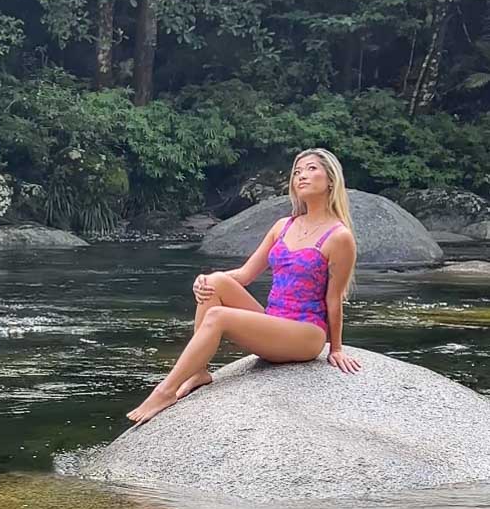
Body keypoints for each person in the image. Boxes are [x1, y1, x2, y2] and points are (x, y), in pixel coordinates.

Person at [127, 148, 361, 426]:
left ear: (331, 179)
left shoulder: (339, 236)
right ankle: (198, 371)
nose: (302, 176)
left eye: (311, 169)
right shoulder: (283, 226)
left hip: (306, 334)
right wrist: (202, 280)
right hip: (275, 320)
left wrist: (335, 349)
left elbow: (334, 299)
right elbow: (245, 274)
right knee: (214, 282)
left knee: (218, 317)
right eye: (297, 171)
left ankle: (164, 391)